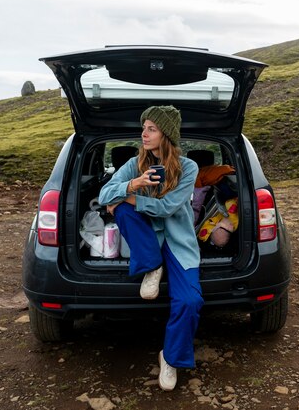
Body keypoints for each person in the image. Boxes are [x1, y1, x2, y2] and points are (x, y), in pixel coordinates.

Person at [98, 105, 203, 391]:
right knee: (119, 208)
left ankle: (170, 358)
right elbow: (103, 194)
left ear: (166, 134)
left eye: (151, 129)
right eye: (144, 128)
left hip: (178, 241)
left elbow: (168, 207)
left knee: (190, 301)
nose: (143, 134)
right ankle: (151, 266)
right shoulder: (135, 163)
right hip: (149, 239)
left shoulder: (188, 167)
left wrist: (129, 197)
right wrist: (134, 183)